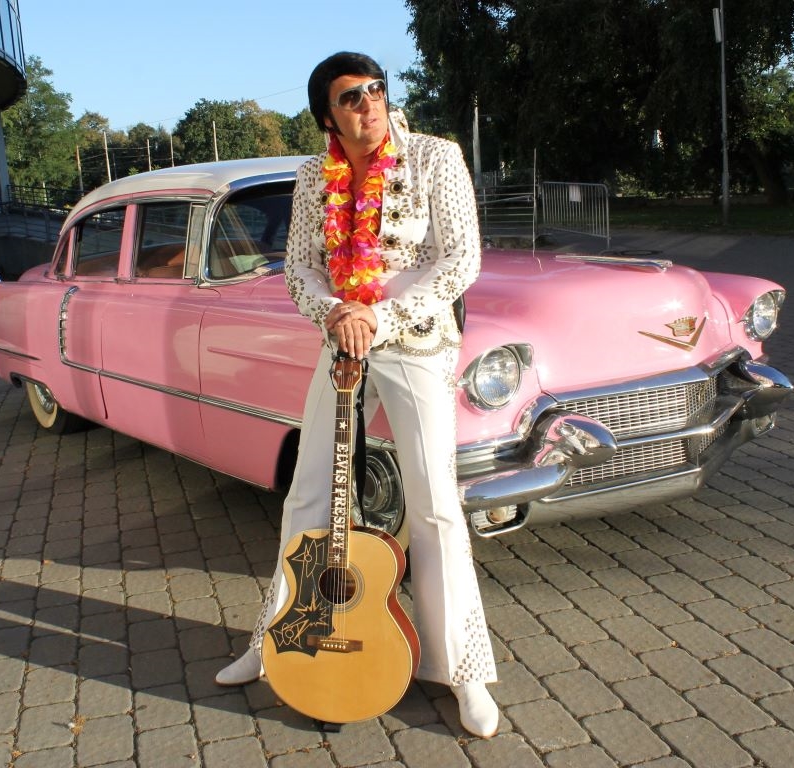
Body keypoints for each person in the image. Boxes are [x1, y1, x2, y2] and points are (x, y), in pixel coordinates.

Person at [215, 51, 499, 739]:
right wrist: (336, 314)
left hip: (419, 344)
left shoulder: (435, 157)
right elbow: (299, 269)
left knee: (434, 505)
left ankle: (462, 669)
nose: (369, 103)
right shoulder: (313, 176)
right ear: (327, 116)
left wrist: (382, 316)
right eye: (351, 97)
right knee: (308, 494)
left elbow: (460, 259)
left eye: (375, 90)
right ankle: (277, 640)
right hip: (343, 344)